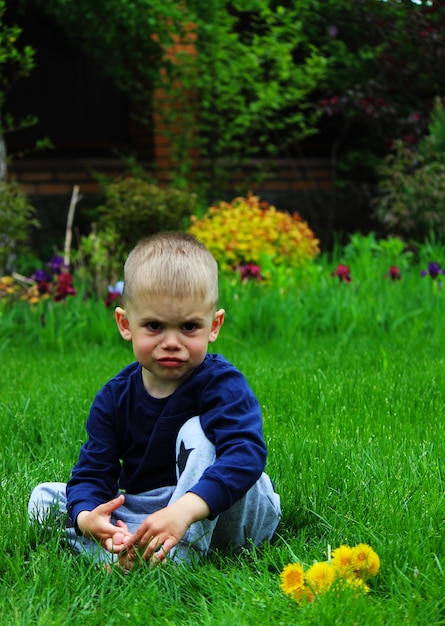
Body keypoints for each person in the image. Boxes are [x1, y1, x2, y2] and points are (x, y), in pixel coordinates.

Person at [28, 232, 281, 568]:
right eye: (154, 326)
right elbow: (93, 471)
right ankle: (127, 547)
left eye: (189, 327)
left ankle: (171, 559)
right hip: (154, 507)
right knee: (45, 500)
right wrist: (89, 517)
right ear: (125, 324)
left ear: (214, 326)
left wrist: (186, 509)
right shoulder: (114, 397)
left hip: (225, 506)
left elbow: (246, 455)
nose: (172, 342)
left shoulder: (222, 383)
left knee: (198, 433)